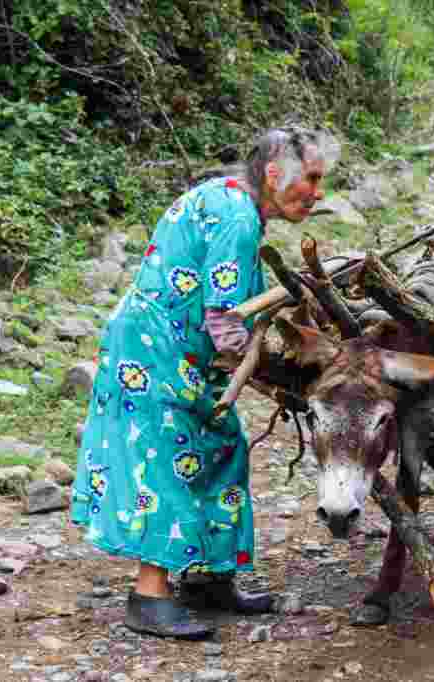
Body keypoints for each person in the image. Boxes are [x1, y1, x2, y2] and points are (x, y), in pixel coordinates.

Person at [71, 127, 332, 639]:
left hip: (178, 352)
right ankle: (149, 597)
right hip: (154, 354)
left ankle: (210, 578)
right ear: (275, 174)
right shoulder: (237, 218)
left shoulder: (229, 199)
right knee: (167, 459)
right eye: (313, 179)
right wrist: (288, 367)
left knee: (222, 445)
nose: (319, 192)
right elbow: (225, 324)